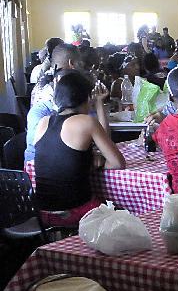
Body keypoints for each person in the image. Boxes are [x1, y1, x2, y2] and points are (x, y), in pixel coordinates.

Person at [33, 71, 125, 227]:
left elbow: (60, 156)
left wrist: (85, 160)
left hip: (41, 213)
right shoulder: (86, 121)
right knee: (122, 213)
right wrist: (100, 162)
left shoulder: (43, 122)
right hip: (76, 211)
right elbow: (117, 163)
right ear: (87, 98)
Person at [26, 44, 87, 163]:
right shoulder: (43, 110)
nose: (83, 65)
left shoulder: (46, 81)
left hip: (53, 159)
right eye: (80, 61)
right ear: (72, 64)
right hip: (42, 164)